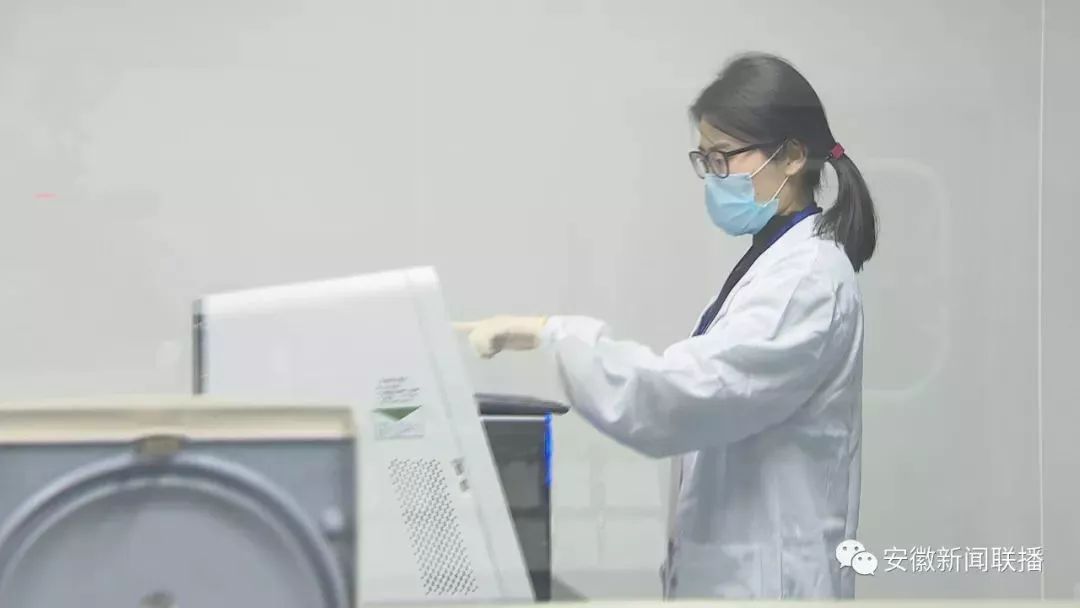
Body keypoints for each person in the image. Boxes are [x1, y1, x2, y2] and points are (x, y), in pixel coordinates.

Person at [457, 52, 876, 599]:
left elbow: (683, 393)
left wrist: (550, 333)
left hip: (771, 586)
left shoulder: (807, 282)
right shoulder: (773, 265)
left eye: (723, 159)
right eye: (705, 160)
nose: (713, 178)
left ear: (793, 155)